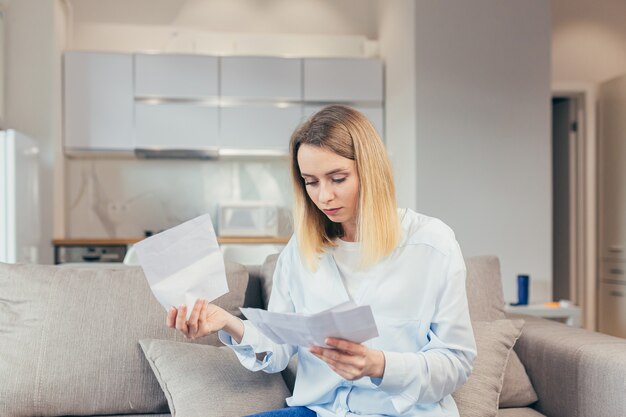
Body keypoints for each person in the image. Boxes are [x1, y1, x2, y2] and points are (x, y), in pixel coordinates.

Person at [166, 105, 477, 417]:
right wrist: (228, 322)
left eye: (337, 178)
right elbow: (279, 346)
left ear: (370, 171)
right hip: (321, 412)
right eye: (311, 182)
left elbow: (456, 362)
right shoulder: (302, 249)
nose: (323, 196)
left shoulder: (432, 245)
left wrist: (379, 365)